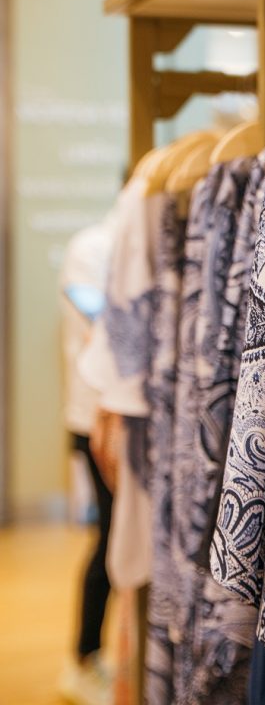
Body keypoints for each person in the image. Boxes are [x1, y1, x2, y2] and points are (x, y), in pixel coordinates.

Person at [58, 216, 116, 705]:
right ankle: (83, 657)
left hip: (116, 418)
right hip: (95, 420)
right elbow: (104, 328)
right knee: (110, 540)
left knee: (117, 538)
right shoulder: (91, 248)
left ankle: (99, 655)